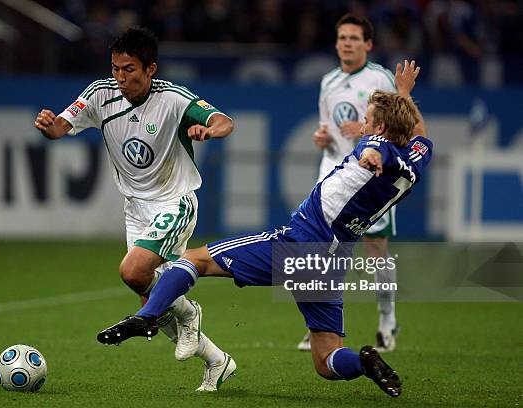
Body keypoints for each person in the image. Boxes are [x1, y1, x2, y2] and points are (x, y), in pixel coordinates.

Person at [97, 60, 429, 398]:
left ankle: (148, 315)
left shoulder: (377, 147)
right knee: (326, 359)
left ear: (381, 127)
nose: (362, 124)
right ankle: (362, 362)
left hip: (300, 244)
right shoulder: (416, 158)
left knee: (195, 260)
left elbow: (375, 148)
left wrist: (372, 152)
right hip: (332, 261)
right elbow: (418, 134)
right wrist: (403, 93)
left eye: (368, 119)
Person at [34, 27, 235, 391]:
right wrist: (49, 127)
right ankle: (217, 361)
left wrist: (209, 132)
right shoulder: (100, 94)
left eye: (129, 70)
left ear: (151, 69)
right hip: (136, 210)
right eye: (115, 68)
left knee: (132, 272)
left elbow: (223, 121)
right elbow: (62, 127)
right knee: (151, 300)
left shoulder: (173, 98)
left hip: (175, 201)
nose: (120, 78)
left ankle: (190, 312)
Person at [302, 13, 400, 353]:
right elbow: (325, 125)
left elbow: (401, 128)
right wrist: (321, 135)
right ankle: (318, 326)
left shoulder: (380, 79)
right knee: (320, 250)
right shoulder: (328, 80)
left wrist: (366, 131)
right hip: (335, 169)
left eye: (354, 38)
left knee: (376, 250)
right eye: (342, 37)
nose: (347, 43)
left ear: (368, 44)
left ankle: (387, 318)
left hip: (372, 176)